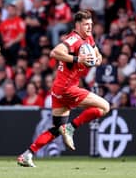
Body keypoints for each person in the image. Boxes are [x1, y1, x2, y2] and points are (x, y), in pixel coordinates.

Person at [17, 10, 110, 167]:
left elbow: (97, 54)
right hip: (68, 89)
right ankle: (71, 127)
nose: (89, 27)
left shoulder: (88, 37)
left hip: (58, 89)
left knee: (56, 129)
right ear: (78, 25)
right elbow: (55, 52)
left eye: (91, 24)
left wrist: (97, 59)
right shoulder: (73, 39)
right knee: (105, 107)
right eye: (86, 25)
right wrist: (77, 59)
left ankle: (27, 154)